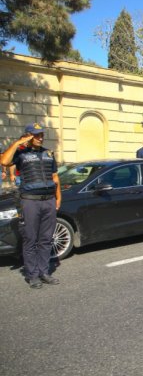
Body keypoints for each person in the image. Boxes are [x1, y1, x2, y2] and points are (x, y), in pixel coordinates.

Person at [0, 123, 62, 289]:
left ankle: (44, 272)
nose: (40, 137)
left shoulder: (48, 153)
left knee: (46, 239)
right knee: (30, 239)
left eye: (41, 134)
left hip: (48, 200)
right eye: (36, 135)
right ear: (28, 136)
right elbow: (4, 161)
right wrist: (17, 143)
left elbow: (55, 177)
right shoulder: (20, 153)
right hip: (30, 201)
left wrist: (58, 198)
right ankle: (32, 275)